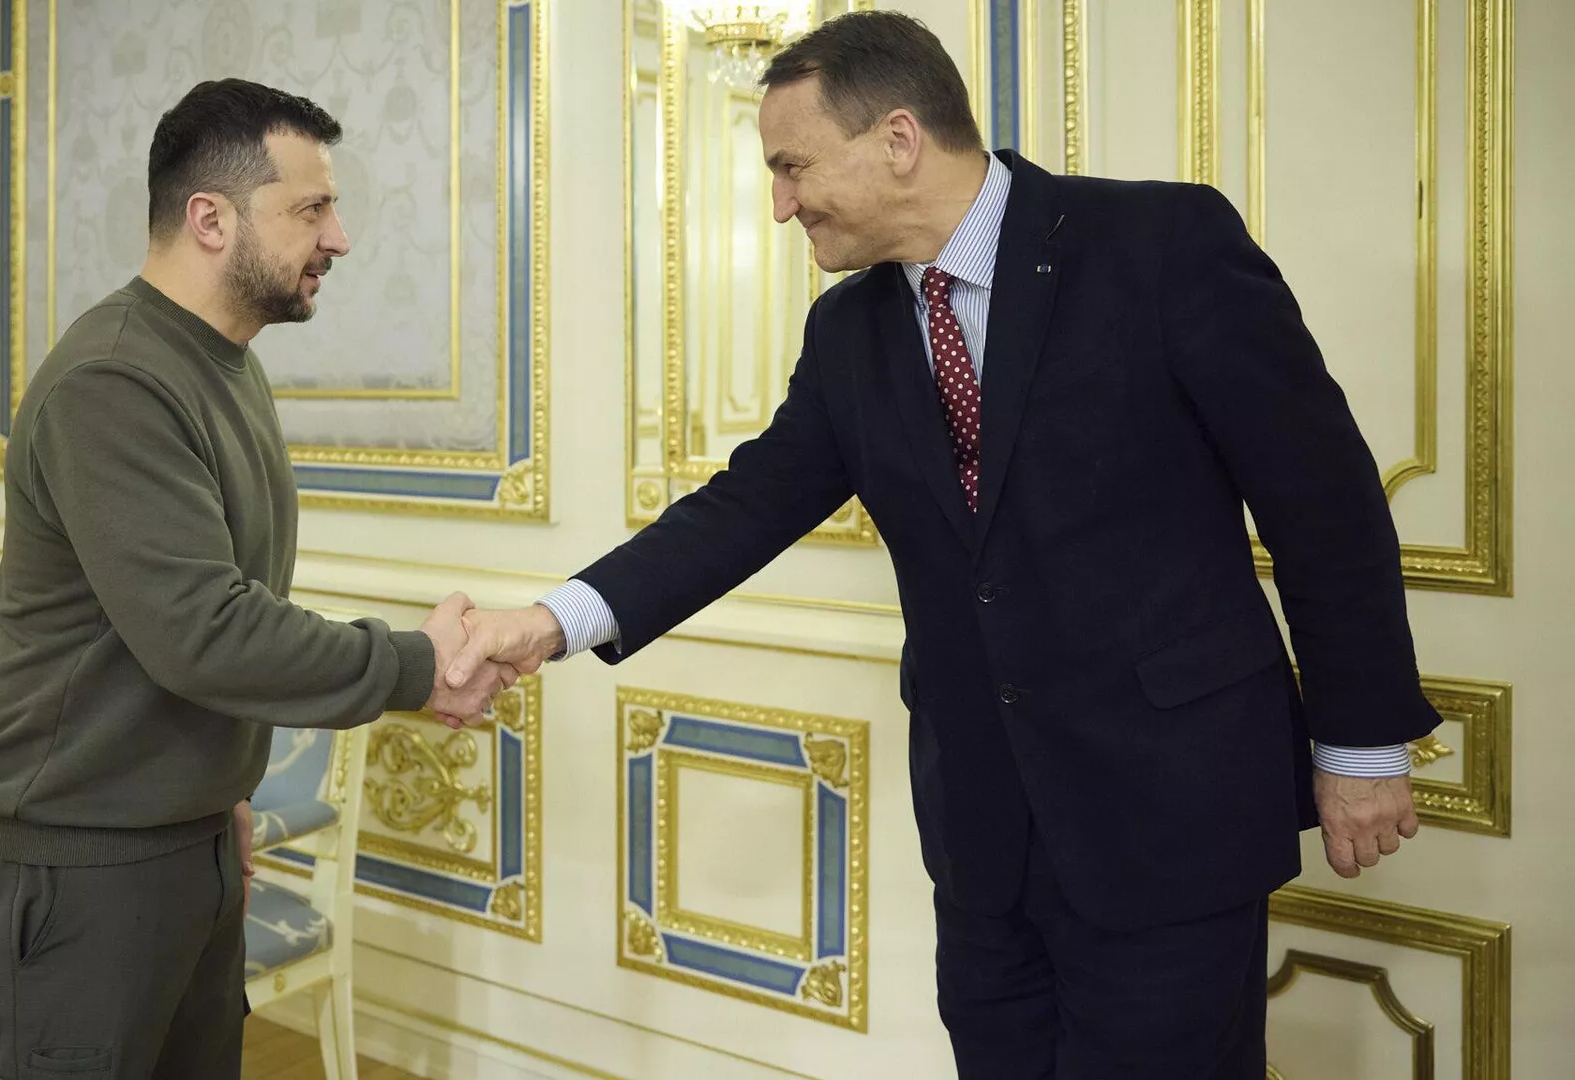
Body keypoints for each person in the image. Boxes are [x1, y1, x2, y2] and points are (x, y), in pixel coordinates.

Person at [447, 12, 1439, 1078]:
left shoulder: (1160, 247)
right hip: (983, 843)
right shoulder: (850, 330)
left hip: (1171, 816)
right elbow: (743, 510)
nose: (780, 202)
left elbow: (1322, 498)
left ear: (899, 140)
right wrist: (549, 624)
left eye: (792, 166)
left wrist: (1361, 742)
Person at [0, 79, 518, 1079]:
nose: (337, 237)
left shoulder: (225, 367)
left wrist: (221, 793)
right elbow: (202, 630)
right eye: (311, 208)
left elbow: (215, 609)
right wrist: (420, 665)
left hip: (184, 841)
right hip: (81, 863)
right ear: (210, 218)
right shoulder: (114, 380)